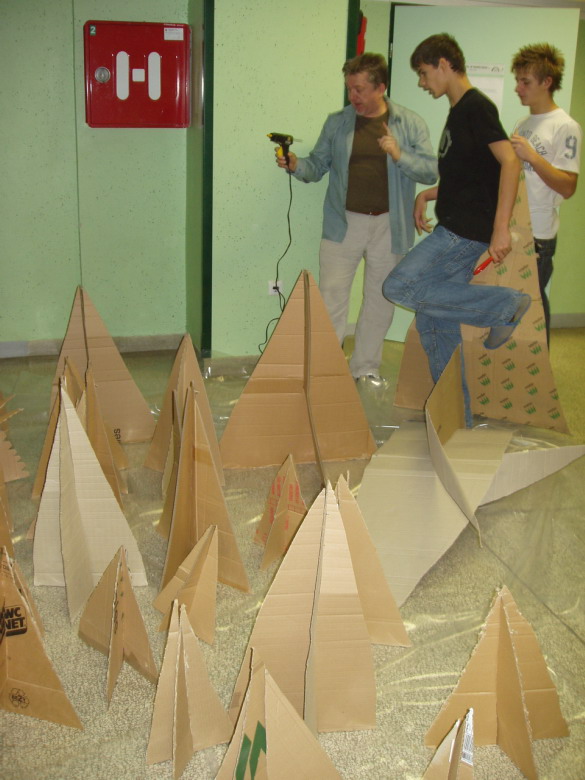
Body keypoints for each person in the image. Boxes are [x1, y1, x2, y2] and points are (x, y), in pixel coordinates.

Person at [382, 33, 531, 427]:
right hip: (456, 224)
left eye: (424, 72)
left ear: (444, 65)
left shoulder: (475, 107)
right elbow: (471, 174)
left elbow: (509, 163)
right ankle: (455, 417)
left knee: (399, 286)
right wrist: (428, 194)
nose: (421, 82)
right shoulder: (458, 112)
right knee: (435, 322)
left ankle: (504, 305)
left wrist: (501, 228)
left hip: (463, 232)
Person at [276, 52, 437, 382]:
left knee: (380, 300)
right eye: (350, 88)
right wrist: (296, 165)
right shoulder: (337, 122)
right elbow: (317, 165)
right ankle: (327, 371)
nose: (353, 96)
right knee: (331, 297)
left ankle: (365, 368)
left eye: (360, 89)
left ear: (381, 87)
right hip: (343, 223)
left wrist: (399, 154)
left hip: (390, 226)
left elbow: (430, 171)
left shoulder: (410, 123)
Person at [510, 43, 581, 344]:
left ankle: (538, 370)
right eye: (517, 80)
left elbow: (568, 186)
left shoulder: (566, 126)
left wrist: (533, 157)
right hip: (515, 228)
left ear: (546, 82)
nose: (518, 88)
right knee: (514, 307)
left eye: (525, 81)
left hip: (538, 234)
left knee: (532, 310)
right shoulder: (523, 124)